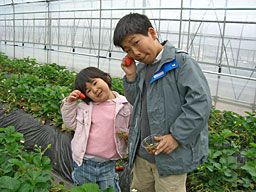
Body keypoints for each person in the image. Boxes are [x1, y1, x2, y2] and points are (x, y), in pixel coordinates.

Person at [113, 13, 212, 192]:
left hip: (171, 157)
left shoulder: (181, 63)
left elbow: (200, 104)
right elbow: (136, 101)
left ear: (152, 33)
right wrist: (131, 76)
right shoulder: (142, 68)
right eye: (127, 49)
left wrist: (176, 136)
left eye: (136, 42)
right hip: (142, 155)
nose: (134, 53)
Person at [60, 67, 132, 191]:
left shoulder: (125, 104)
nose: (95, 90)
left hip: (108, 165)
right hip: (84, 163)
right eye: (88, 90)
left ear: (105, 78)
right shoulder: (85, 107)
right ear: (86, 96)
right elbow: (70, 123)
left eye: (95, 83)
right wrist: (70, 103)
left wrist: (128, 136)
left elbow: (132, 125)